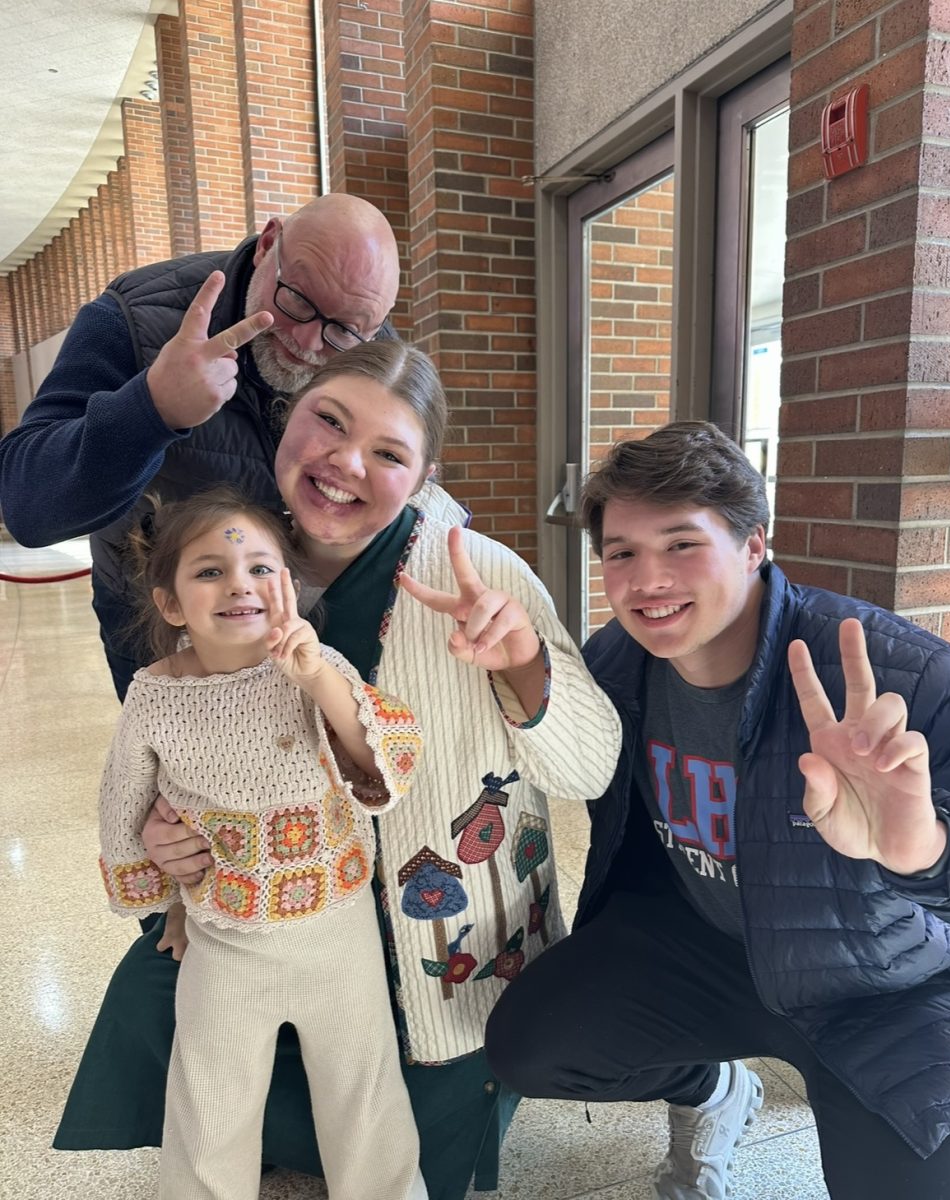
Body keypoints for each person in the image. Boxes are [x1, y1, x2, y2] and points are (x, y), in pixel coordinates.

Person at [54, 341, 623, 1200]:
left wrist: (521, 667)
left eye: (389, 453)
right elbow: (183, 738)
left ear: (424, 473)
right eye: (329, 421)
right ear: (288, 419)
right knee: (157, 993)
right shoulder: (235, 552)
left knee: (385, 1121)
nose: (346, 463)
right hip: (264, 905)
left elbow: (591, 765)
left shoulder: (480, 571)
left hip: (435, 926)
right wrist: (163, 841)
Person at [484, 421, 950, 1200]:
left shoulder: (900, 674)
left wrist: (925, 851)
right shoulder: (614, 666)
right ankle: (712, 1092)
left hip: (880, 983)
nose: (648, 579)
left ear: (754, 545)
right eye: (622, 553)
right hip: (707, 947)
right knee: (531, 1046)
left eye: (682, 544)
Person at [0, 192, 460, 700]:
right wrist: (152, 408)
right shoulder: (133, 317)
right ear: (268, 244)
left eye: (344, 330)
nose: (308, 342)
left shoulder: (366, 344)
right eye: (297, 301)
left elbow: (402, 483)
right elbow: (26, 507)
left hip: (309, 624)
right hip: (164, 624)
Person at [100, 486, 427, 1200]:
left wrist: (311, 673)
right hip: (224, 940)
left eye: (259, 567)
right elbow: (121, 802)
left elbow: (382, 759)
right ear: (171, 604)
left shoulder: (318, 665)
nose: (239, 584)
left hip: (338, 935)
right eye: (210, 570)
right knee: (209, 1111)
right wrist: (159, 899)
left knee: (365, 1100)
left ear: (291, 584)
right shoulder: (154, 694)